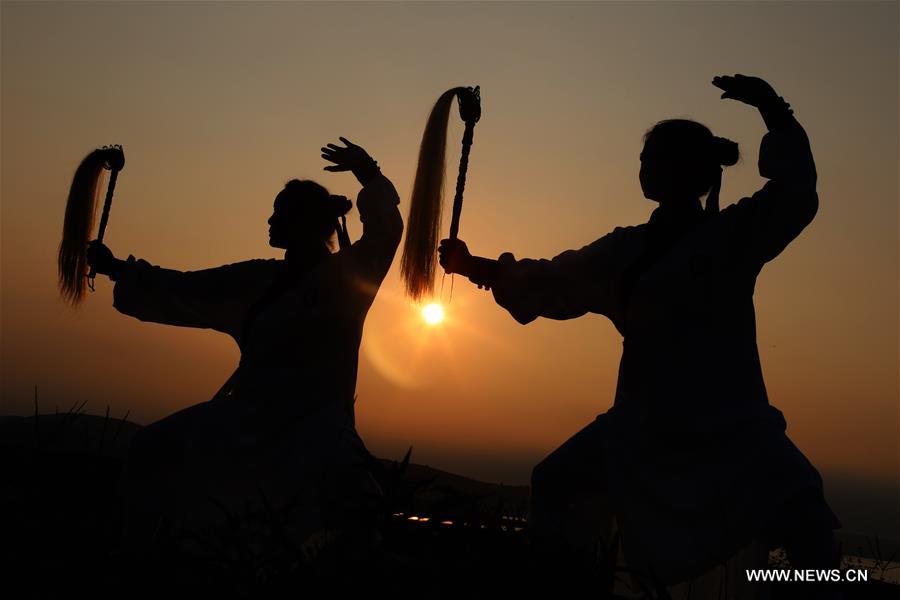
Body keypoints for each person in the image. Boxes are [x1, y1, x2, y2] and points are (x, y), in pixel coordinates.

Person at [439, 75, 841, 586]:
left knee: (811, 534)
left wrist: (773, 109)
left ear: (678, 171)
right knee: (556, 482)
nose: (642, 168)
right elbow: (552, 279)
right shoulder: (627, 251)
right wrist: (475, 265)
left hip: (732, 426)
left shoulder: (731, 236)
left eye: (649, 158)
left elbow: (795, 193)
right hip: (645, 430)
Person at [86, 138, 403, 544]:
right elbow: (187, 288)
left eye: (279, 214)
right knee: (153, 449)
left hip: (318, 430)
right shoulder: (257, 279)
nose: (269, 221)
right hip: (249, 420)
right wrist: (117, 268)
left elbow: (386, 230)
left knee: (333, 520)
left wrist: (367, 170)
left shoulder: (347, 278)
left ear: (303, 224)